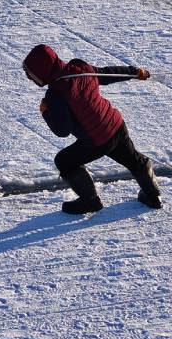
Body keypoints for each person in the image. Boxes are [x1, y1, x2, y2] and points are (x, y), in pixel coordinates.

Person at [22, 43, 162, 214]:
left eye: (30, 73)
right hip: (115, 125)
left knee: (64, 161)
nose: (29, 77)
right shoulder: (80, 68)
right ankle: (153, 196)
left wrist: (46, 113)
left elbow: (62, 130)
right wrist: (134, 72)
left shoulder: (55, 95)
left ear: (41, 71)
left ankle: (90, 201)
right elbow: (106, 74)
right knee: (132, 159)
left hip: (97, 140)